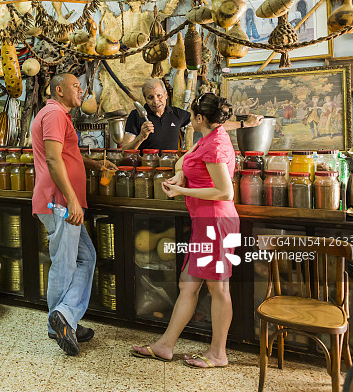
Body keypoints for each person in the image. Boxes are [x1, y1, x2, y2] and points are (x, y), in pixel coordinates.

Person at [131, 93, 239, 369]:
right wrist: (180, 175)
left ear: (201, 118)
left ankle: (218, 354)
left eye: (192, 116)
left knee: (218, 289)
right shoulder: (209, 137)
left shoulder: (215, 145)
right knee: (187, 284)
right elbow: (186, 160)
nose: (189, 120)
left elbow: (225, 192)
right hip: (205, 223)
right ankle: (165, 346)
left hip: (215, 224)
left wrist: (182, 190)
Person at [31, 73, 117, 356]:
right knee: (65, 264)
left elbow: (65, 156)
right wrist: (71, 200)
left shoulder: (58, 114)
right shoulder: (55, 114)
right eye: (76, 86)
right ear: (59, 90)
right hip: (60, 203)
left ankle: (66, 318)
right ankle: (60, 322)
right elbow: (53, 160)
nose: (81, 90)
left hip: (63, 202)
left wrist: (92, 164)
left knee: (85, 257)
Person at [118, 79, 262, 151]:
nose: (156, 101)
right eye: (150, 97)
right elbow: (125, 150)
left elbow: (211, 122)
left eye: (159, 95)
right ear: (145, 99)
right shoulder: (136, 116)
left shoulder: (176, 114)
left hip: (171, 169)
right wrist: (140, 138)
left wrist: (244, 124)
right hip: (145, 170)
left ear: (166, 95)